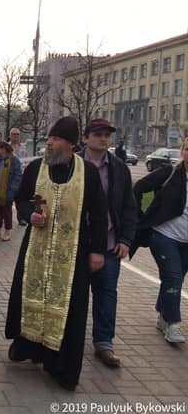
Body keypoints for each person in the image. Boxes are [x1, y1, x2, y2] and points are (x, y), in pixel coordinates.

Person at [5, 116, 108, 391]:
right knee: (31, 295)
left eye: (57, 139)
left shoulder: (87, 172)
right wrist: (29, 215)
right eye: (49, 138)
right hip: (36, 250)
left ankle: (58, 364)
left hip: (73, 253)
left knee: (69, 309)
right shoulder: (36, 168)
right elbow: (21, 199)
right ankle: (28, 346)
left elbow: (98, 214)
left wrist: (98, 251)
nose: (50, 142)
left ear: (71, 145)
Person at [80, 119, 137, 366]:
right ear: (85, 138)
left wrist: (126, 239)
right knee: (74, 296)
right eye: (97, 134)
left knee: (106, 295)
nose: (103, 139)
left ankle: (104, 343)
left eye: (107, 135)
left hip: (110, 244)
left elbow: (129, 206)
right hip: (78, 243)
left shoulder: (118, 168)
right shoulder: (74, 164)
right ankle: (64, 340)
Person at [132, 138, 188, 344]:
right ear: (182, 151)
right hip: (164, 236)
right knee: (173, 277)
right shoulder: (170, 173)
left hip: (186, 242)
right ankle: (173, 324)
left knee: (175, 278)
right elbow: (138, 187)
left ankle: (163, 316)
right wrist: (140, 216)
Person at [0, 141, 22, 241]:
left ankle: (7, 231)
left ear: (3, 149)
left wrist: (12, 191)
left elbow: (18, 177)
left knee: (7, 212)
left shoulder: (14, 160)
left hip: (8, 191)